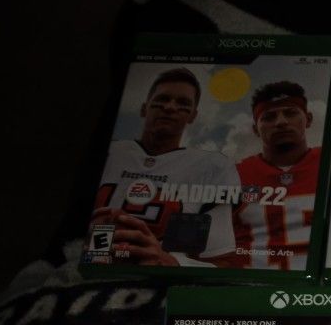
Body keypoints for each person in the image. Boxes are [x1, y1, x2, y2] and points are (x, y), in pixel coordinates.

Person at [88, 67, 239, 266]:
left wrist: (169, 262)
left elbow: (222, 261)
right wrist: (94, 249)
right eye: (162, 99)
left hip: (159, 276)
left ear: (193, 116)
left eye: (183, 103)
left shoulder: (213, 166)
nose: (170, 107)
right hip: (97, 266)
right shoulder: (110, 153)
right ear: (144, 108)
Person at [233, 81, 321, 270]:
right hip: (251, 282)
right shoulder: (233, 175)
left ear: (308, 119)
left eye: (290, 113)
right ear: (255, 129)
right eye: (269, 117)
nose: (281, 122)